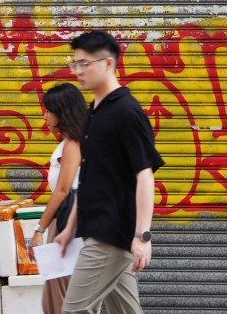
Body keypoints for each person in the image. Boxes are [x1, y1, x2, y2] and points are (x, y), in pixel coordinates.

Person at [54, 30, 164, 314]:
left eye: (84, 64)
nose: (78, 71)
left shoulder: (127, 112)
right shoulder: (94, 112)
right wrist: (69, 228)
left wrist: (142, 236)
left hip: (111, 234)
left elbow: (145, 175)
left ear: (108, 64)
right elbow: (89, 178)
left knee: (74, 311)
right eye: (75, 64)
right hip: (98, 230)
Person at [29, 83, 87, 314]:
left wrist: (39, 230)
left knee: (60, 297)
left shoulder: (73, 144)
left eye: (48, 110)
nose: (45, 115)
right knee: (57, 296)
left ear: (62, 112)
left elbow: (62, 190)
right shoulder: (69, 142)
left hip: (68, 225)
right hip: (65, 222)